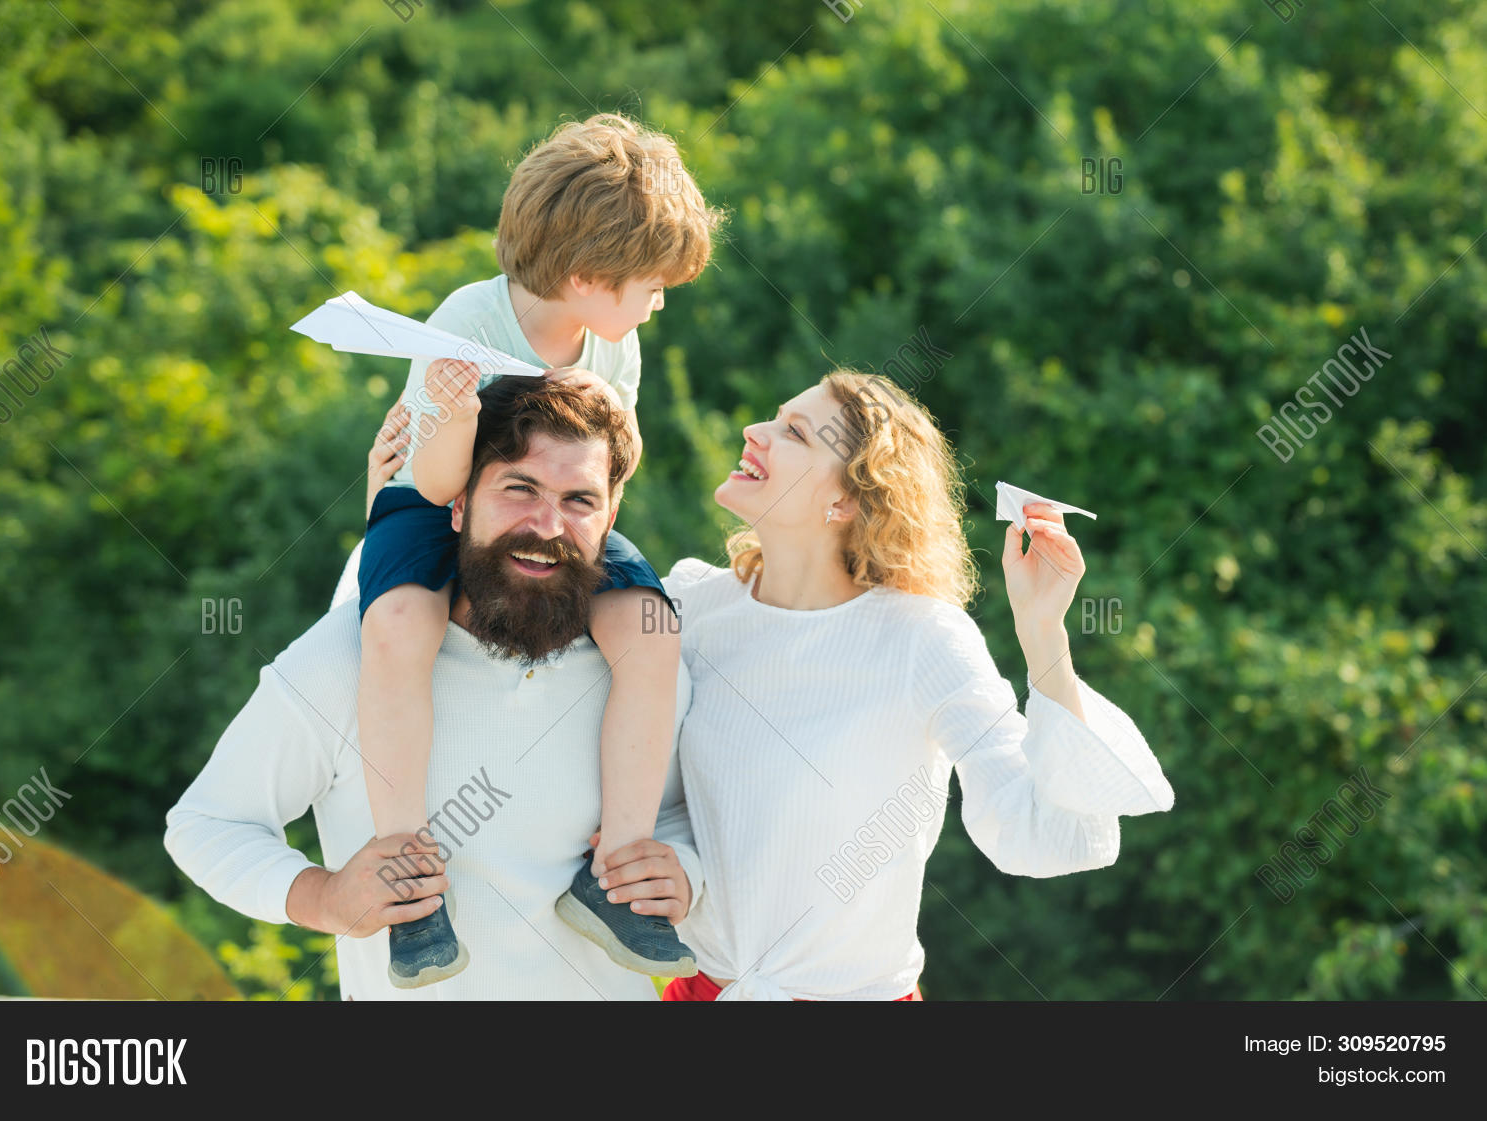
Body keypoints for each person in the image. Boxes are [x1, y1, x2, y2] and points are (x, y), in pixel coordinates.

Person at [622, 368, 1177, 1000]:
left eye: (794, 432)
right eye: (775, 418)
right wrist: (680, 867)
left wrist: (1042, 628)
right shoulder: (691, 606)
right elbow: (653, 790)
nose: (756, 431)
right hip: (699, 992)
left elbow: (1043, 832)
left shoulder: (922, 640)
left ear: (847, 501)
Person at [166, 378, 702, 1000]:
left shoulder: (648, 663)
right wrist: (325, 899)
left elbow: (684, 815)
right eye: (518, 488)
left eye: (579, 500)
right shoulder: (346, 658)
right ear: (457, 502)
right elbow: (207, 824)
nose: (547, 524)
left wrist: (683, 872)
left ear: (609, 519)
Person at [353, 112, 721, 986]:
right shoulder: (467, 319)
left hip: (555, 512)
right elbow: (440, 485)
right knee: (400, 627)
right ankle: (410, 879)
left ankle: (619, 869)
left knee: (650, 630)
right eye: (651, 285)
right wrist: (455, 412)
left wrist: (609, 426)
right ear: (590, 276)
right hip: (444, 497)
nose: (658, 300)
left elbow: (612, 475)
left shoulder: (613, 342)